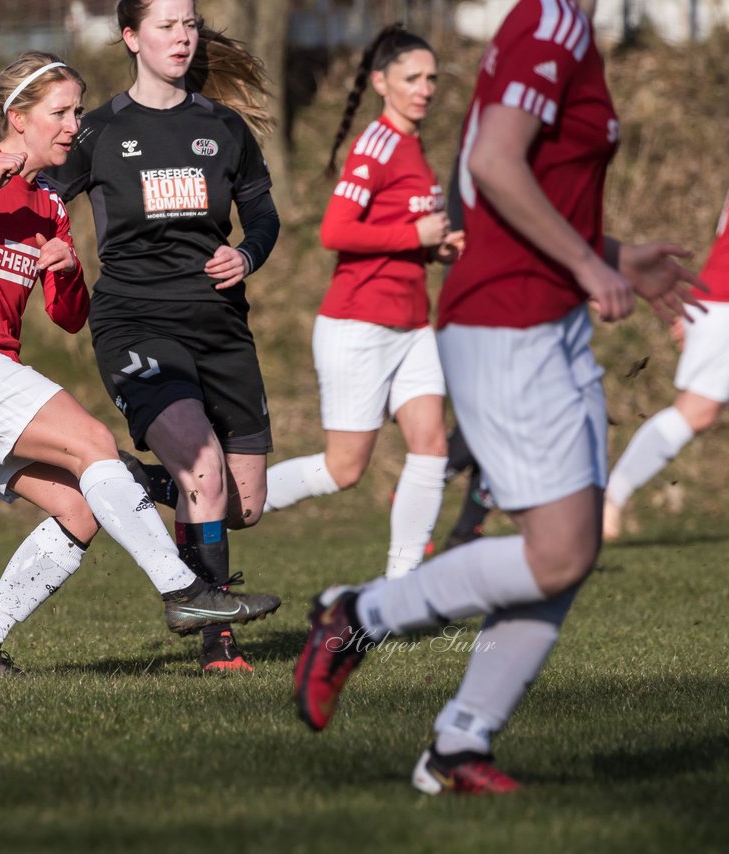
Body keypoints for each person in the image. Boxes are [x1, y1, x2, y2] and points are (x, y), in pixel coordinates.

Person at [292, 0, 705, 794]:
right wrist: (591, 269)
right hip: (507, 323)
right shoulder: (550, 19)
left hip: (548, 324)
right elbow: (494, 167)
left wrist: (612, 253)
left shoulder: (564, 25)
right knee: (559, 550)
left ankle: (458, 747)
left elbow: (500, 188)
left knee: (569, 551)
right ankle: (357, 618)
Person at [0, 51, 280, 677]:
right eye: (60, 112)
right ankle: (186, 592)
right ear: (18, 118)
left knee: (79, 507)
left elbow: (69, 317)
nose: (75, 124)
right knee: (94, 441)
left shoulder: (49, 204)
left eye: (76, 109)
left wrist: (68, 273)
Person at [43, 0, 282, 673]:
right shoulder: (99, 131)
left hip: (221, 327)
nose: (181, 37)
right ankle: (218, 643)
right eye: (165, 25)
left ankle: (128, 477)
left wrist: (247, 255)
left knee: (243, 505)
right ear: (130, 37)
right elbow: (38, 198)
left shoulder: (224, 127)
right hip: (137, 322)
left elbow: (263, 217)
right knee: (202, 468)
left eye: (189, 24)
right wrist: (53, 250)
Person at [260, 25, 464, 580]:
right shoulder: (377, 143)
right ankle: (227, 503)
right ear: (380, 82)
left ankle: (402, 589)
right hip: (360, 324)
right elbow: (336, 230)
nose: (424, 89)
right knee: (344, 469)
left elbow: (403, 228)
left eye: (431, 79)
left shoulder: (415, 145)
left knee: (431, 446)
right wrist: (414, 237)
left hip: (412, 325)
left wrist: (437, 247)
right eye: (411, 78)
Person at [603, 187, 729, 539]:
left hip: (717, 303)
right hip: (723, 300)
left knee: (698, 411)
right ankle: (611, 495)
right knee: (697, 410)